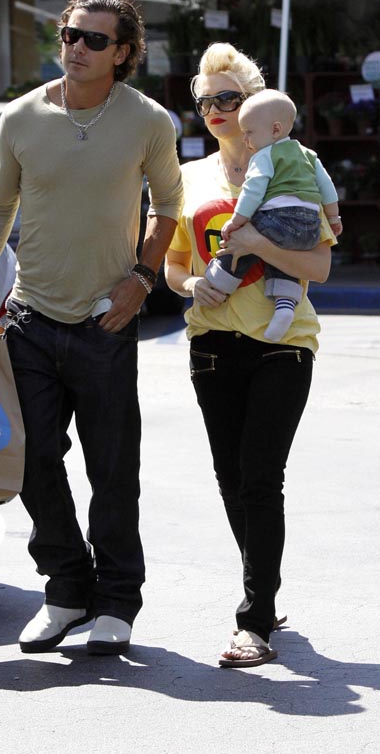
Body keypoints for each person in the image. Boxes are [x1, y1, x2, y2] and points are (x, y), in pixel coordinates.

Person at [0, 0, 183, 656]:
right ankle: (65, 588)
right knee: (31, 462)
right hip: (30, 316)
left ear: (123, 53)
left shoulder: (147, 120)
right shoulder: (22, 115)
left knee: (113, 470)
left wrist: (141, 280)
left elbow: (168, 206)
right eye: (71, 34)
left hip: (105, 322)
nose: (77, 47)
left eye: (94, 40)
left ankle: (117, 601)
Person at [165, 42, 336, 668]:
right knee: (231, 478)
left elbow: (319, 265)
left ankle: (255, 619)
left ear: (256, 104)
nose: (214, 109)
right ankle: (263, 585)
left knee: (262, 478)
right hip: (212, 344)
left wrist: (260, 242)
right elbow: (173, 265)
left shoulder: (294, 164)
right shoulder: (189, 178)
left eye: (227, 98)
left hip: (283, 344)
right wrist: (193, 285)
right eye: (204, 100)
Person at [204, 88, 341, 342]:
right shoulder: (308, 155)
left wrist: (237, 221)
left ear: (275, 130)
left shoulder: (264, 155)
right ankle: (285, 303)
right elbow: (327, 188)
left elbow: (253, 191)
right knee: (282, 256)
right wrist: (334, 219)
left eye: (249, 132)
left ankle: (220, 281)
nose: (245, 139)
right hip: (310, 227)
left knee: (245, 241)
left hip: (280, 219)